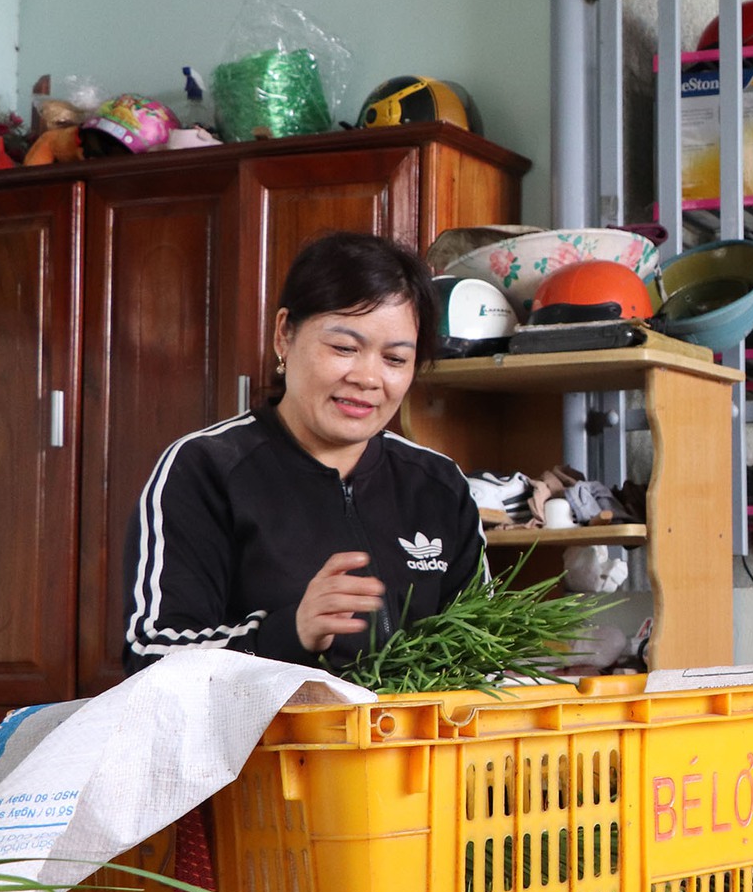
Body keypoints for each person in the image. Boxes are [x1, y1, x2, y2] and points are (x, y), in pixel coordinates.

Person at [123, 230, 483, 673]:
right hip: (269, 743)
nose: (368, 378)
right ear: (284, 336)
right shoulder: (205, 469)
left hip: (412, 743)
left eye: (394, 359)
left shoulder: (437, 484)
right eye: (344, 348)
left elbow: (481, 654)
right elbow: (151, 656)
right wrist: (290, 632)